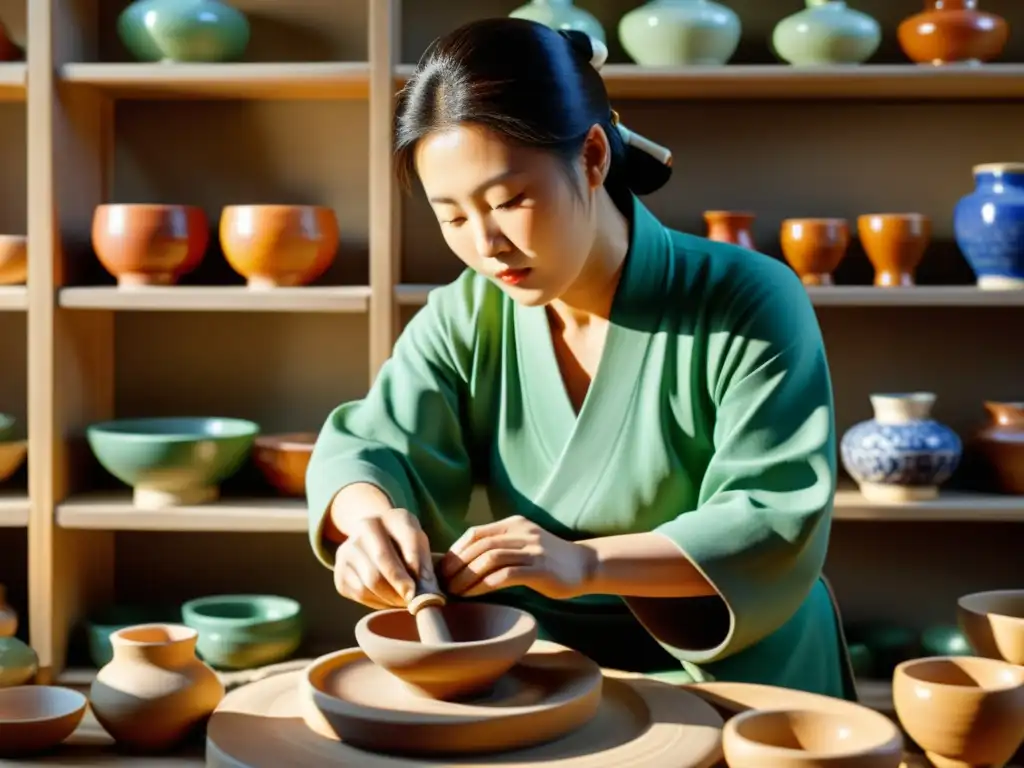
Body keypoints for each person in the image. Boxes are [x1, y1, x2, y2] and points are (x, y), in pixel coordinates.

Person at [306, 17, 855, 700]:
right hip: (546, 671)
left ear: (593, 156)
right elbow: (374, 443)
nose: (487, 244)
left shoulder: (749, 297)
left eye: (510, 200)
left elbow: (772, 515)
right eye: (451, 216)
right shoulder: (465, 313)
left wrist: (585, 563)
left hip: (735, 671)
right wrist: (368, 524)